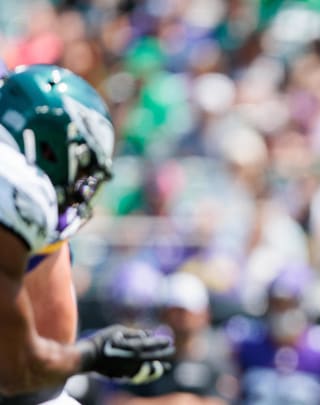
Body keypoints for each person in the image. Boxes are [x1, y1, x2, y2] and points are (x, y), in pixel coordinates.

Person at [0, 64, 174, 404]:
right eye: (81, 165)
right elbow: (16, 371)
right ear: (47, 146)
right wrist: (93, 354)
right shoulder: (15, 187)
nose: (80, 187)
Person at [225, 264, 320, 405]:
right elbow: (229, 390)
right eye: (276, 304)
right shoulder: (245, 339)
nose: (282, 312)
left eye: (289, 305)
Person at [105, 272, 233, 405]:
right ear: (164, 314)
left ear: (204, 314)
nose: (181, 318)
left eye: (185, 311)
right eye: (174, 311)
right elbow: (118, 401)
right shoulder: (149, 359)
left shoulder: (217, 359)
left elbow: (223, 400)